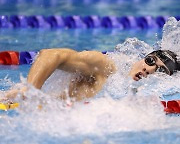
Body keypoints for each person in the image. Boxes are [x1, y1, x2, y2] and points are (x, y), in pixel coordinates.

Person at [2, 48, 180, 102]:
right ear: (143, 57)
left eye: (161, 70)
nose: (150, 69)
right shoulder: (108, 67)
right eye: (150, 61)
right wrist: (30, 90)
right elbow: (50, 55)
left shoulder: (145, 94)